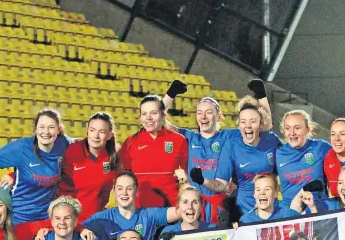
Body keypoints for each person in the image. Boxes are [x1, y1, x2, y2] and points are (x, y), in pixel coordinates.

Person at [163, 79, 273, 224]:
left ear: (219, 116)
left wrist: (261, 96)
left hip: (224, 207)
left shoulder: (229, 136)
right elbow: (159, 121)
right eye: (199, 113)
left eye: (209, 112)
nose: (203, 117)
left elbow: (264, 126)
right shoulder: (189, 137)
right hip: (194, 207)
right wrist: (170, 95)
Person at [0, 108, 71, 224]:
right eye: (41, 127)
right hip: (20, 218)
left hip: (47, 220)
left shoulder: (63, 143)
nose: (46, 132)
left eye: (51, 127)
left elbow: (86, 145)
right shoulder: (21, 148)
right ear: (35, 129)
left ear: (58, 129)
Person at [190, 96, 282, 218]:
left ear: (261, 125)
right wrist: (202, 180)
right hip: (244, 212)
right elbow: (221, 184)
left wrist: (262, 95)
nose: (247, 125)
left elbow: (290, 162)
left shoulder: (271, 140)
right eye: (243, 122)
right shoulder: (231, 146)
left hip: (272, 209)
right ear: (239, 126)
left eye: (253, 121)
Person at [81, 170, 180, 240]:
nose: (124, 193)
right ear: (114, 192)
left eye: (129, 188)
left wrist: (187, 185)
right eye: (120, 188)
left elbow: (181, 211)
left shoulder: (148, 215)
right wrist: (82, 230)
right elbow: (74, 230)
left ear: (136, 191)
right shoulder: (102, 218)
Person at [119, 95, 188, 208]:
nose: (148, 118)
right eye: (144, 114)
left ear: (163, 115)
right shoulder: (130, 142)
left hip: (170, 210)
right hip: (139, 211)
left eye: (154, 113)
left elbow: (188, 177)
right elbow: (121, 175)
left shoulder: (179, 140)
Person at [58, 112, 119, 221]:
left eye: (102, 132)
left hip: (98, 221)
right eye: (92, 130)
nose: (95, 136)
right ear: (87, 131)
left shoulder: (114, 157)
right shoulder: (72, 150)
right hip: (70, 220)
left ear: (110, 135)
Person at [275, 110, 332, 207]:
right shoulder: (277, 153)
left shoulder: (321, 148)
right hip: (290, 213)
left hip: (318, 209)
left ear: (307, 129)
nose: (292, 133)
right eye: (287, 128)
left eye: (297, 128)